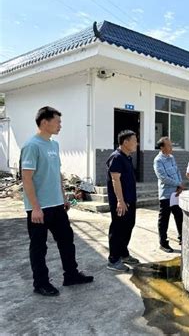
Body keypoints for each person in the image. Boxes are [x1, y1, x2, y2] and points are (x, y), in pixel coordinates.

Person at [21, 106, 93, 297]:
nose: (60, 125)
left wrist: (63, 198)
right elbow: (26, 178)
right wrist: (35, 207)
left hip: (57, 205)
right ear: (45, 122)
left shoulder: (53, 145)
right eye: (57, 121)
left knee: (67, 241)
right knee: (39, 247)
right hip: (39, 208)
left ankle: (71, 275)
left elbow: (57, 174)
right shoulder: (32, 145)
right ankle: (41, 283)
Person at [105, 130, 140, 272]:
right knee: (118, 229)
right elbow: (115, 179)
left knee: (128, 226)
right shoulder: (117, 157)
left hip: (130, 200)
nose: (136, 143)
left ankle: (123, 254)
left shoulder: (127, 157)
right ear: (125, 142)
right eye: (134, 140)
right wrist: (120, 201)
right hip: (121, 202)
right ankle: (113, 260)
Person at [153, 137, 184, 253]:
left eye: (171, 145)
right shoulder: (158, 160)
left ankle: (182, 237)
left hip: (176, 192)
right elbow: (163, 177)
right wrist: (178, 184)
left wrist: (179, 184)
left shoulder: (171, 158)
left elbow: (177, 171)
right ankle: (163, 242)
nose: (171, 148)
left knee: (179, 215)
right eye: (169, 145)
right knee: (164, 219)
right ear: (162, 147)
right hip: (166, 194)